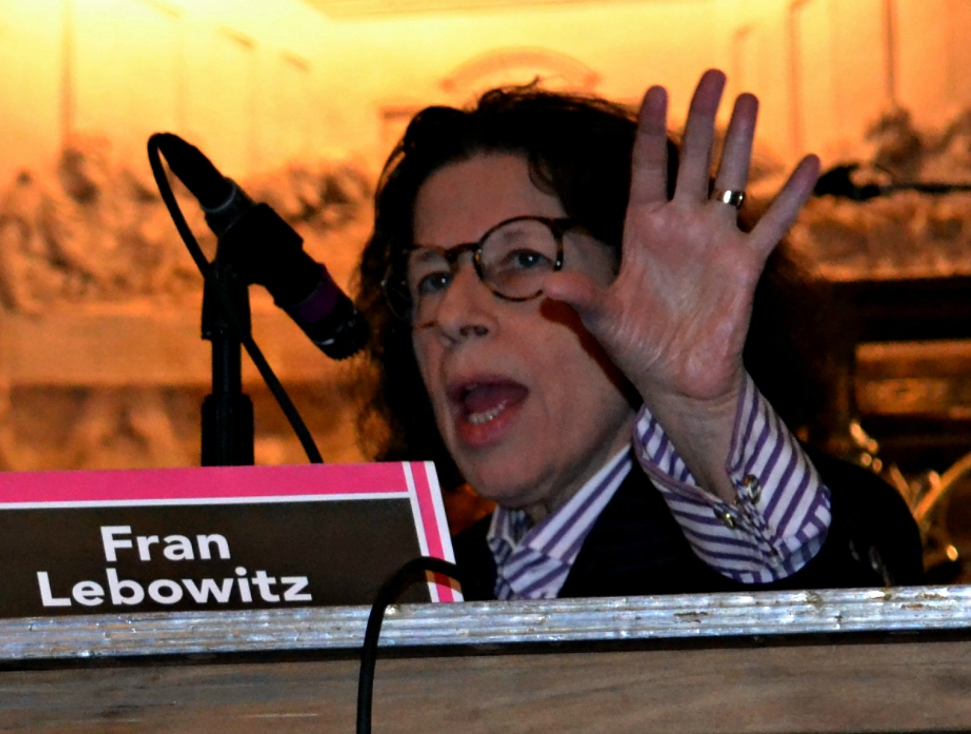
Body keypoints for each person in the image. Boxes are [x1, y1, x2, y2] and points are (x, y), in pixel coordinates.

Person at [355, 69, 923, 600]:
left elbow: (833, 606)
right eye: (431, 278)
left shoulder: (758, 544)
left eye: (522, 258)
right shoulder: (404, 599)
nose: (453, 314)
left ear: (648, 284)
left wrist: (704, 416)